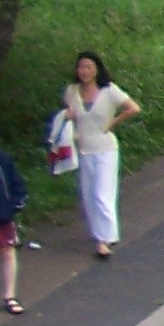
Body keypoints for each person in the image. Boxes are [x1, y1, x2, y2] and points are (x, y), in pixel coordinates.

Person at [61, 52, 140, 260]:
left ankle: (104, 240)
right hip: (84, 149)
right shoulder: (72, 92)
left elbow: (133, 108)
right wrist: (68, 120)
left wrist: (111, 124)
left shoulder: (109, 90)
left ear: (97, 69)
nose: (84, 71)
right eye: (81, 67)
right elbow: (70, 115)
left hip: (106, 148)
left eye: (88, 67)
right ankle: (100, 232)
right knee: (88, 194)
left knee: (102, 193)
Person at [0, 119, 25, 315]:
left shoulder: (1, 160)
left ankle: (9, 296)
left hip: (3, 217)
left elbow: (16, 184)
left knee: (8, 252)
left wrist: (15, 205)